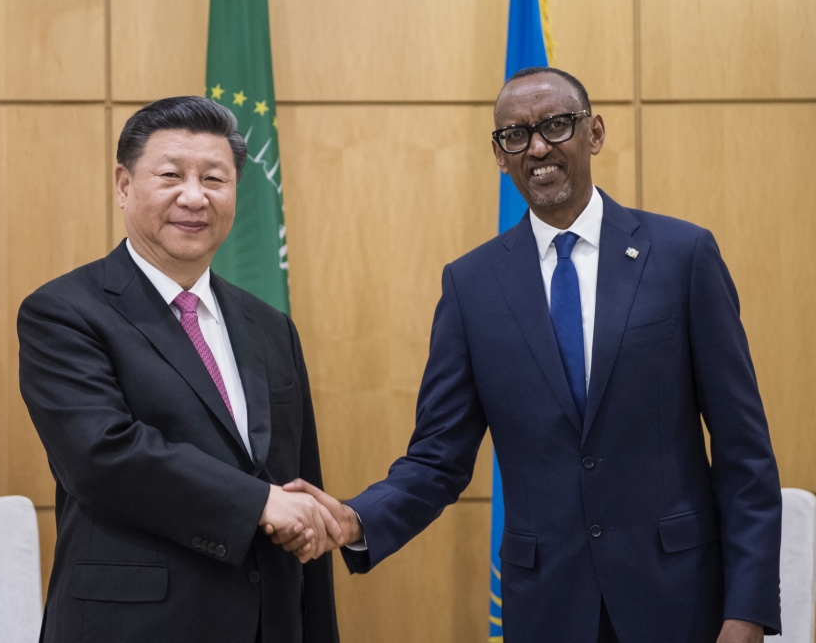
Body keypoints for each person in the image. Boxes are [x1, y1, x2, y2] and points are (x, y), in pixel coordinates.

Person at [276, 68, 782, 643]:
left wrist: (747, 612)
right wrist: (356, 517)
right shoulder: (471, 286)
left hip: (680, 601)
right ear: (499, 155)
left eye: (556, 125)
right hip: (547, 608)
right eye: (515, 135)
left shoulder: (682, 256)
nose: (537, 146)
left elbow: (745, 453)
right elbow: (438, 458)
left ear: (593, 133)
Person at [18, 96, 341, 643]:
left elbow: (299, 488)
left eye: (214, 178)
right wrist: (258, 502)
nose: (193, 196)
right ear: (124, 184)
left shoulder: (270, 327)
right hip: (135, 625)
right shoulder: (64, 312)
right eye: (170, 175)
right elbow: (103, 455)